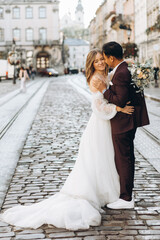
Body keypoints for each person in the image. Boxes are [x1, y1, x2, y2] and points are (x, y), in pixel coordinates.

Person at [0, 49, 134, 230]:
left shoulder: (106, 75)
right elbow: (99, 107)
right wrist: (119, 109)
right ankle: (100, 193)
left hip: (106, 125)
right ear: (91, 64)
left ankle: (110, 192)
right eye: (96, 61)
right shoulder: (96, 79)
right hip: (99, 124)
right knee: (99, 159)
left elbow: (117, 76)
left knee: (106, 159)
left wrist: (130, 67)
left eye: (102, 59)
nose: (101, 63)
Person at [92, 42, 149, 209]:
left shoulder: (121, 72)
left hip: (123, 123)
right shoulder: (123, 69)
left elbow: (119, 100)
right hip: (125, 121)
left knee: (123, 159)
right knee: (126, 157)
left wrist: (104, 90)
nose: (104, 62)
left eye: (104, 58)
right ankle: (125, 194)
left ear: (111, 58)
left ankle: (126, 198)